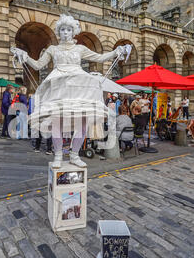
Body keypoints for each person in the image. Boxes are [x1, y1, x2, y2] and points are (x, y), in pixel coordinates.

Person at [11, 14, 131, 168]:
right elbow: (37, 65)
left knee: (81, 124)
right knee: (57, 123)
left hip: (78, 85)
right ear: (58, 32)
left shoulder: (80, 48)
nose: (65, 32)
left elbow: (100, 58)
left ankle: (74, 154)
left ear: (73, 32)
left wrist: (116, 52)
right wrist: (24, 56)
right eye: (62, 30)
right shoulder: (52, 49)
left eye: (68, 29)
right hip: (59, 86)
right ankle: (58, 155)